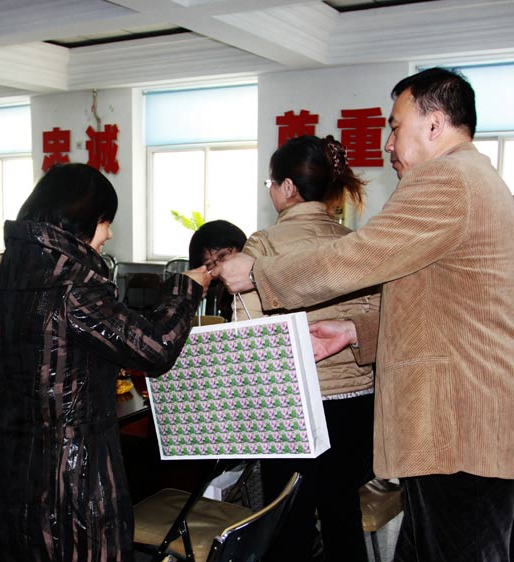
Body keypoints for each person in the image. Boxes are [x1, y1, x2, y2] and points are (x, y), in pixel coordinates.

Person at [212, 68, 514, 562]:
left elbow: (357, 258)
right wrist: (356, 330)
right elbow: (446, 304)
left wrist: (260, 273)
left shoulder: (446, 179)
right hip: (460, 428)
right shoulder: (477, 179)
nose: (387, 143)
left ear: (434, 124)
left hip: (456, 429)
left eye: (395, 126)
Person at [0, 163, 210, 562]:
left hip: (13, 470)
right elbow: (154, 349)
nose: (108, 234)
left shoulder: (7, 274)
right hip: (74, 478)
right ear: (81, 221)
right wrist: (185, 291)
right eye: (105, 222)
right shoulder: (73, 286)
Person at [241, 135, 379, 562]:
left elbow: (249, 335)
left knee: (288, 524)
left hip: (291, 404)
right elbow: (379, 318)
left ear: (287, 187)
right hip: (356, 403)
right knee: (343, 516)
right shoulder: (356, 241)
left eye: (270, 183)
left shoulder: (264, 245)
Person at [188, 219, 247, 320]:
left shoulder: (260, 274)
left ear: (240, 247)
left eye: (223, 255)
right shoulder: (218, 293)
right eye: (209, 264)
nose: (219, 267)